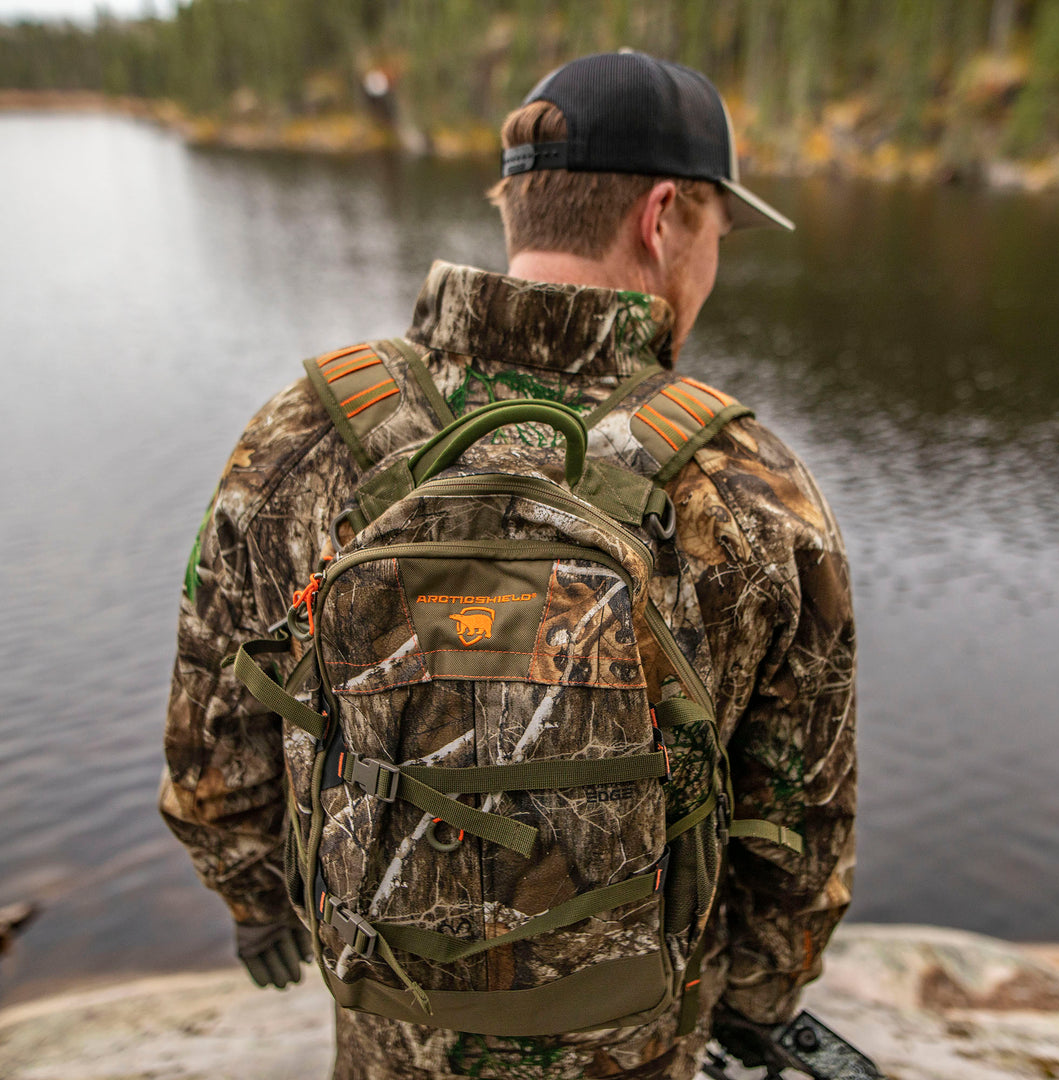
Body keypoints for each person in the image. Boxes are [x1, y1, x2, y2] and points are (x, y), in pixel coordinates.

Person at [160, 51, 856, 1080]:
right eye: (716, 231)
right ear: (662, 218)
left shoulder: (304, 435)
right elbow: (801, 828)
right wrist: (753, 998)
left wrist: (261, 903)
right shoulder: (750, 488)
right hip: (636, 1038)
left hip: (387, 1023)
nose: (712, 263)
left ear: (518, 206)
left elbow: (211, 751)